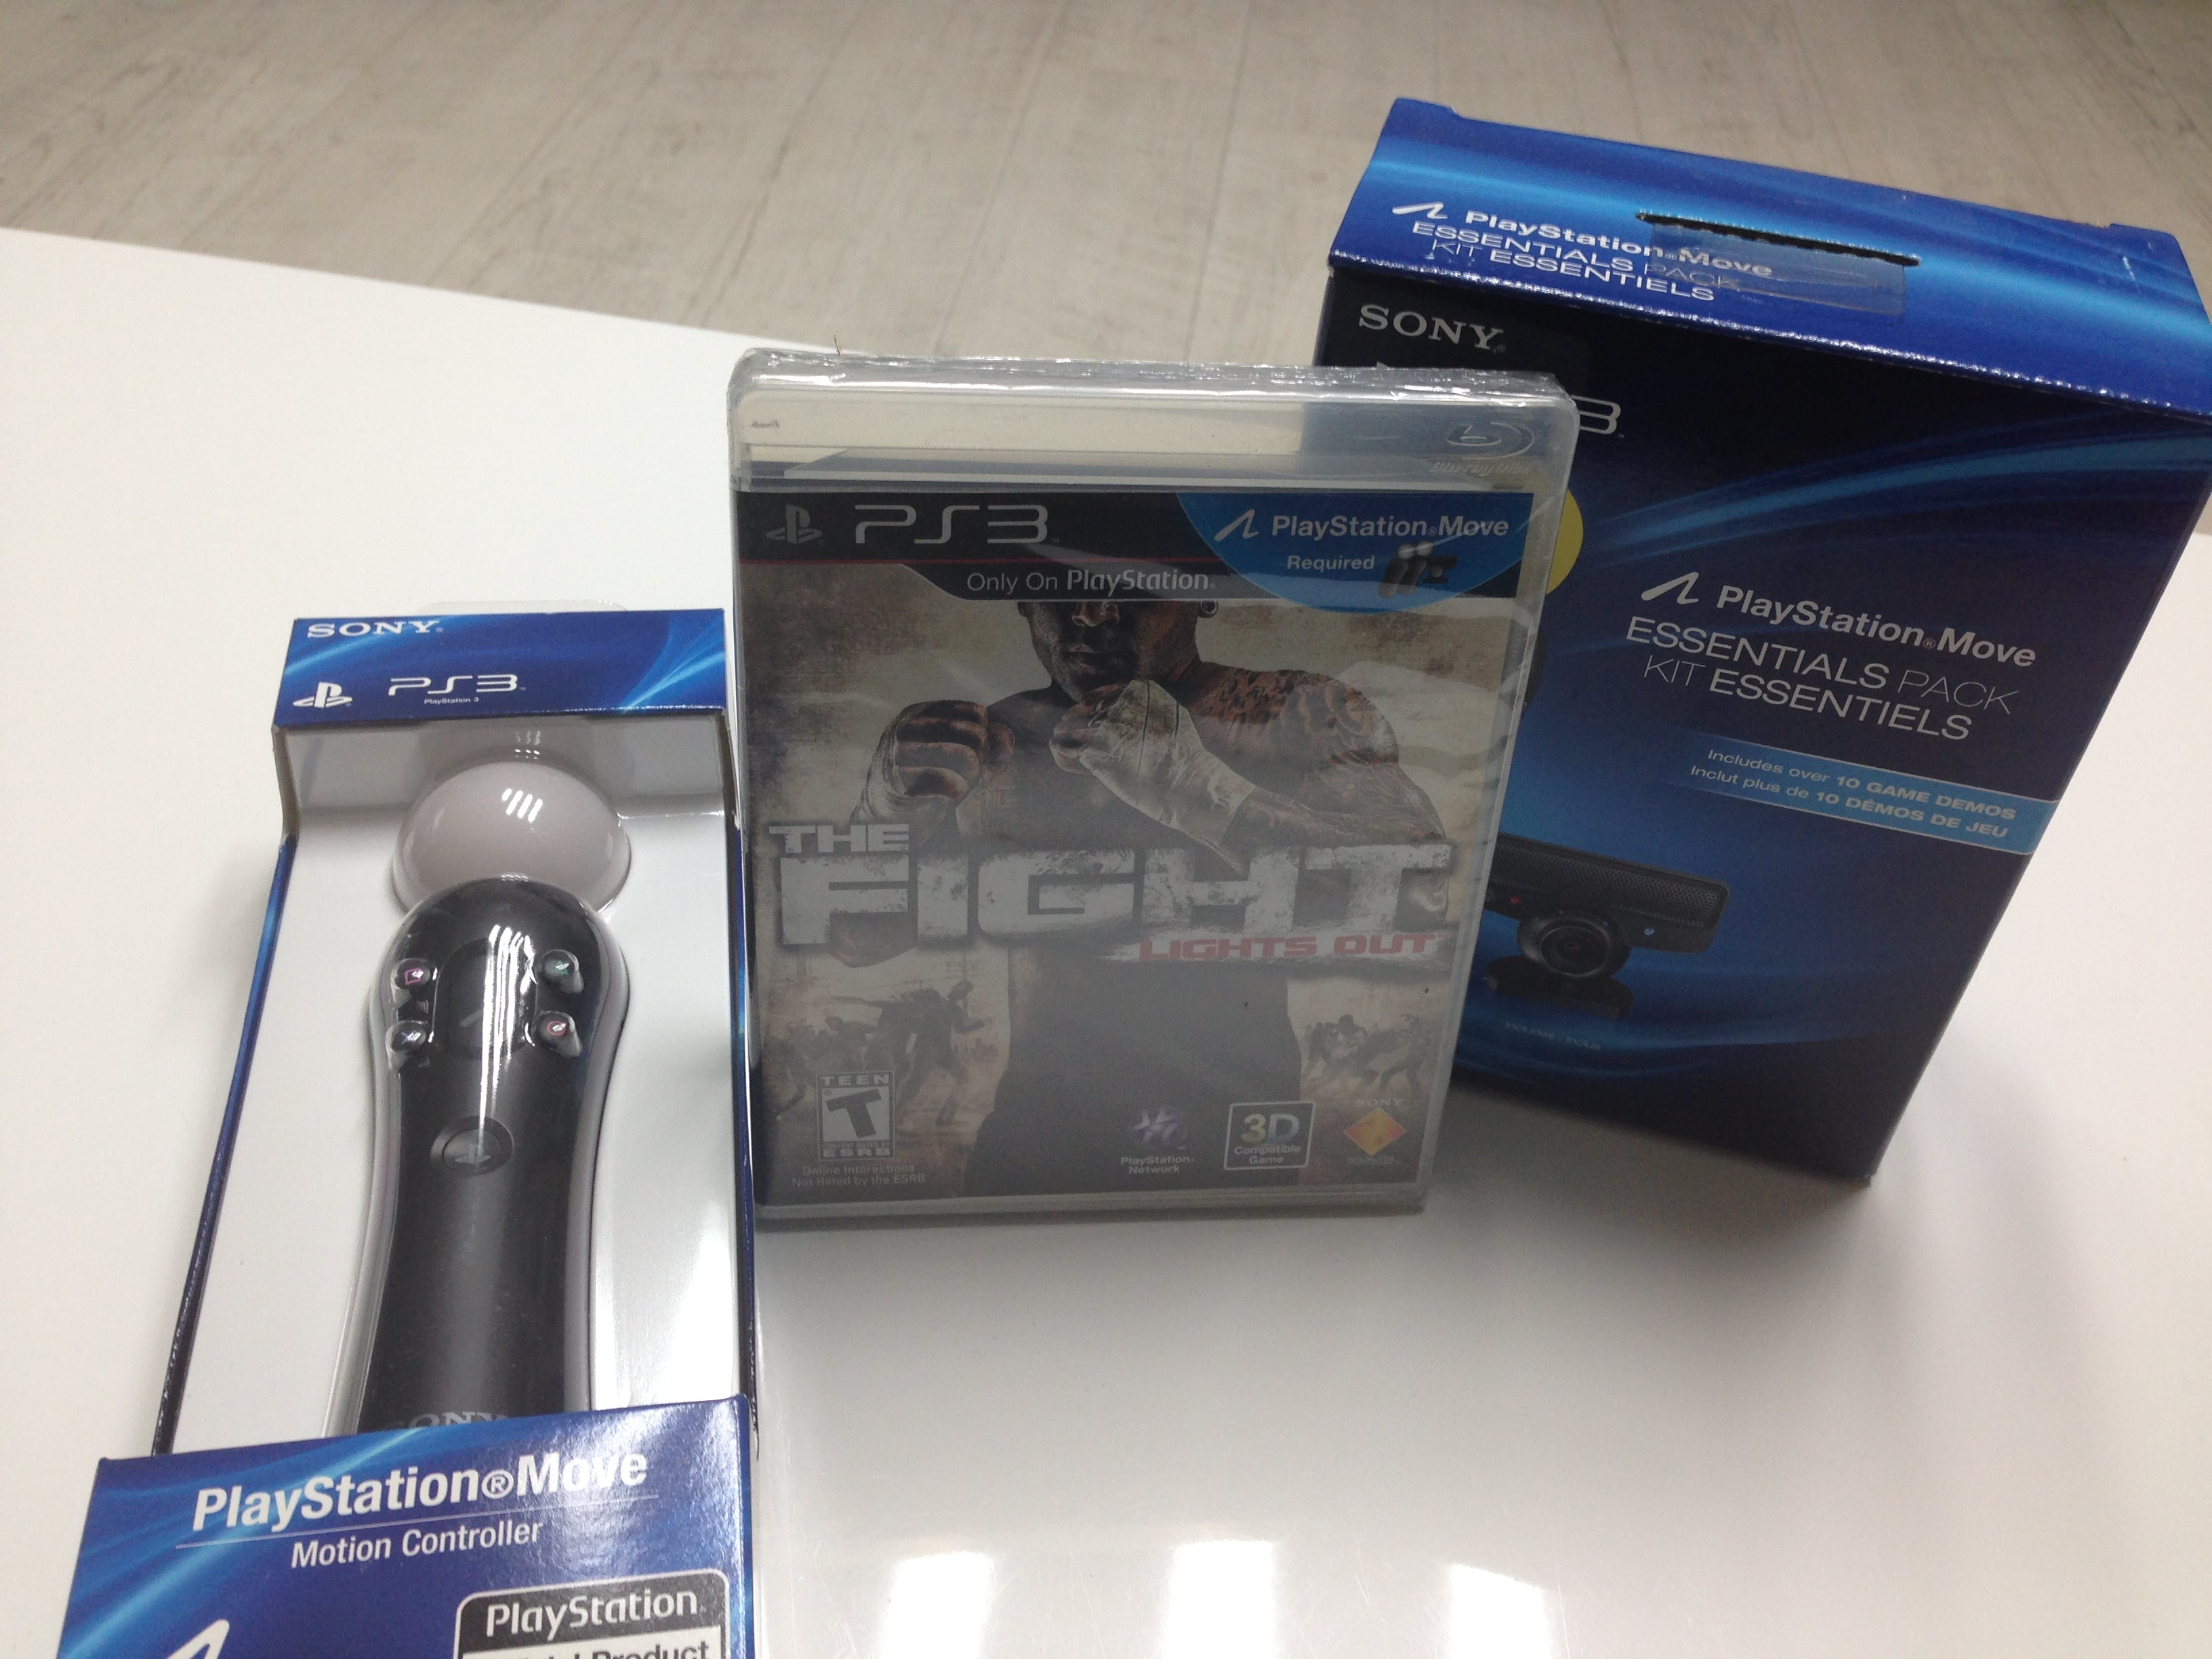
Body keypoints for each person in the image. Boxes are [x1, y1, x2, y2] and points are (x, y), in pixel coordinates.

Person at [828, 597, 1446, 1195]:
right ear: (1018, 596)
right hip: (1041, 1118)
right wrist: (883, 817)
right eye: (1060, 585)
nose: (1092, 613)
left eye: (1130, 584)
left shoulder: (1291, 710)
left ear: (1202, 593)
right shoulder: (992, 743)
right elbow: (858, 943)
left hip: (1233, 1118)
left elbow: (1420, 895)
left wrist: (1200, 789)